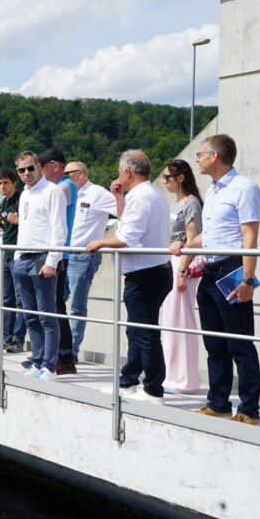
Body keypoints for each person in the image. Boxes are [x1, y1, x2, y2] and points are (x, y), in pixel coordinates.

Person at [178, 134, 260, 426]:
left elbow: (249, 238)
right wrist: (186, 245)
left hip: (231, 268)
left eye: (200, 154)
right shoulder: (213, 191)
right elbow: (211, 235)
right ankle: (219, 403)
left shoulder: (244, 188)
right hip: (210, 270)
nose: (197, 159)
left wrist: (247, 280)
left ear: (214, 156)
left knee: (240, 344)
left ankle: (250, 410)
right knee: (214, 344)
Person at [86, 149, 171, 403]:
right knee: (136, 331)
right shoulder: (151, 194)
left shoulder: (141, 197)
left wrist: (99, 241)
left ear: (128, 172)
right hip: (153, 272)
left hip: (144, 276)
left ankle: (154, 389)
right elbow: (130, 223)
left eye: (119, 171)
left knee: (144, 333)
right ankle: (129, 379)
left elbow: (127, 238)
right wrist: (118, 197)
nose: (118, 175)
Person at [13, 151, 67, 380]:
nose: (26, 173)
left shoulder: (53, 191)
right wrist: (16, 258)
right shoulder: (24, 194)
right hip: (22, 258)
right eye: (21, 170)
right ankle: (37, 360)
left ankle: (50, 366)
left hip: (42, 257)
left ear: (39, 167)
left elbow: (59, 229)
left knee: (47, 315)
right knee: (30, 316)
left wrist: (52, 261)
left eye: (30, 168)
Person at [64, 161, 117, 361]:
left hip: (84, 255)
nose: (65, 177)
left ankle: (72, 351)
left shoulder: (98, 193)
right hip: (64, 253)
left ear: (81, 174)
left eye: (68, 173)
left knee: (77, 304)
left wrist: (102, 241)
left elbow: (125, 212)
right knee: (57, 302)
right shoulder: (67, 194)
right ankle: (60, 348)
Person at [160, 160, 204, 393]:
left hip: (182, 265)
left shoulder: (191, 203)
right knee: (170, 321)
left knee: (180, 320)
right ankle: (173, 374)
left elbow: (192, 238)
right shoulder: (177, 203)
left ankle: (184, 378)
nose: (165, 180)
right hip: (174, 263)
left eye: (168, 176)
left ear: (180, 177)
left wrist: (181, 270)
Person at [38, 148, 79, 374]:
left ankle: (64, 356)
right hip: (52, 253)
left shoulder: (63, 187)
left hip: (57, 255)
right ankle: (54, 355)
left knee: (55, 307)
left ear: (55, 165)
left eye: (43, 166)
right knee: (50, 306)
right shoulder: (60, 187)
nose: (40, 170)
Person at [0, 169, 25, 353]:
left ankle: (18, 339)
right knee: (6, 299)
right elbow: (7, 224)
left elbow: (28, 222)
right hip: (5, 254)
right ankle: (5, 338)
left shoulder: (21, 200)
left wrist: (17, 220)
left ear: (14, 183)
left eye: (5, 183)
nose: (2, 186)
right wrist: (1, 223)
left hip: (18, 254)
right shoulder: (4, 202)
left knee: (21, 300)